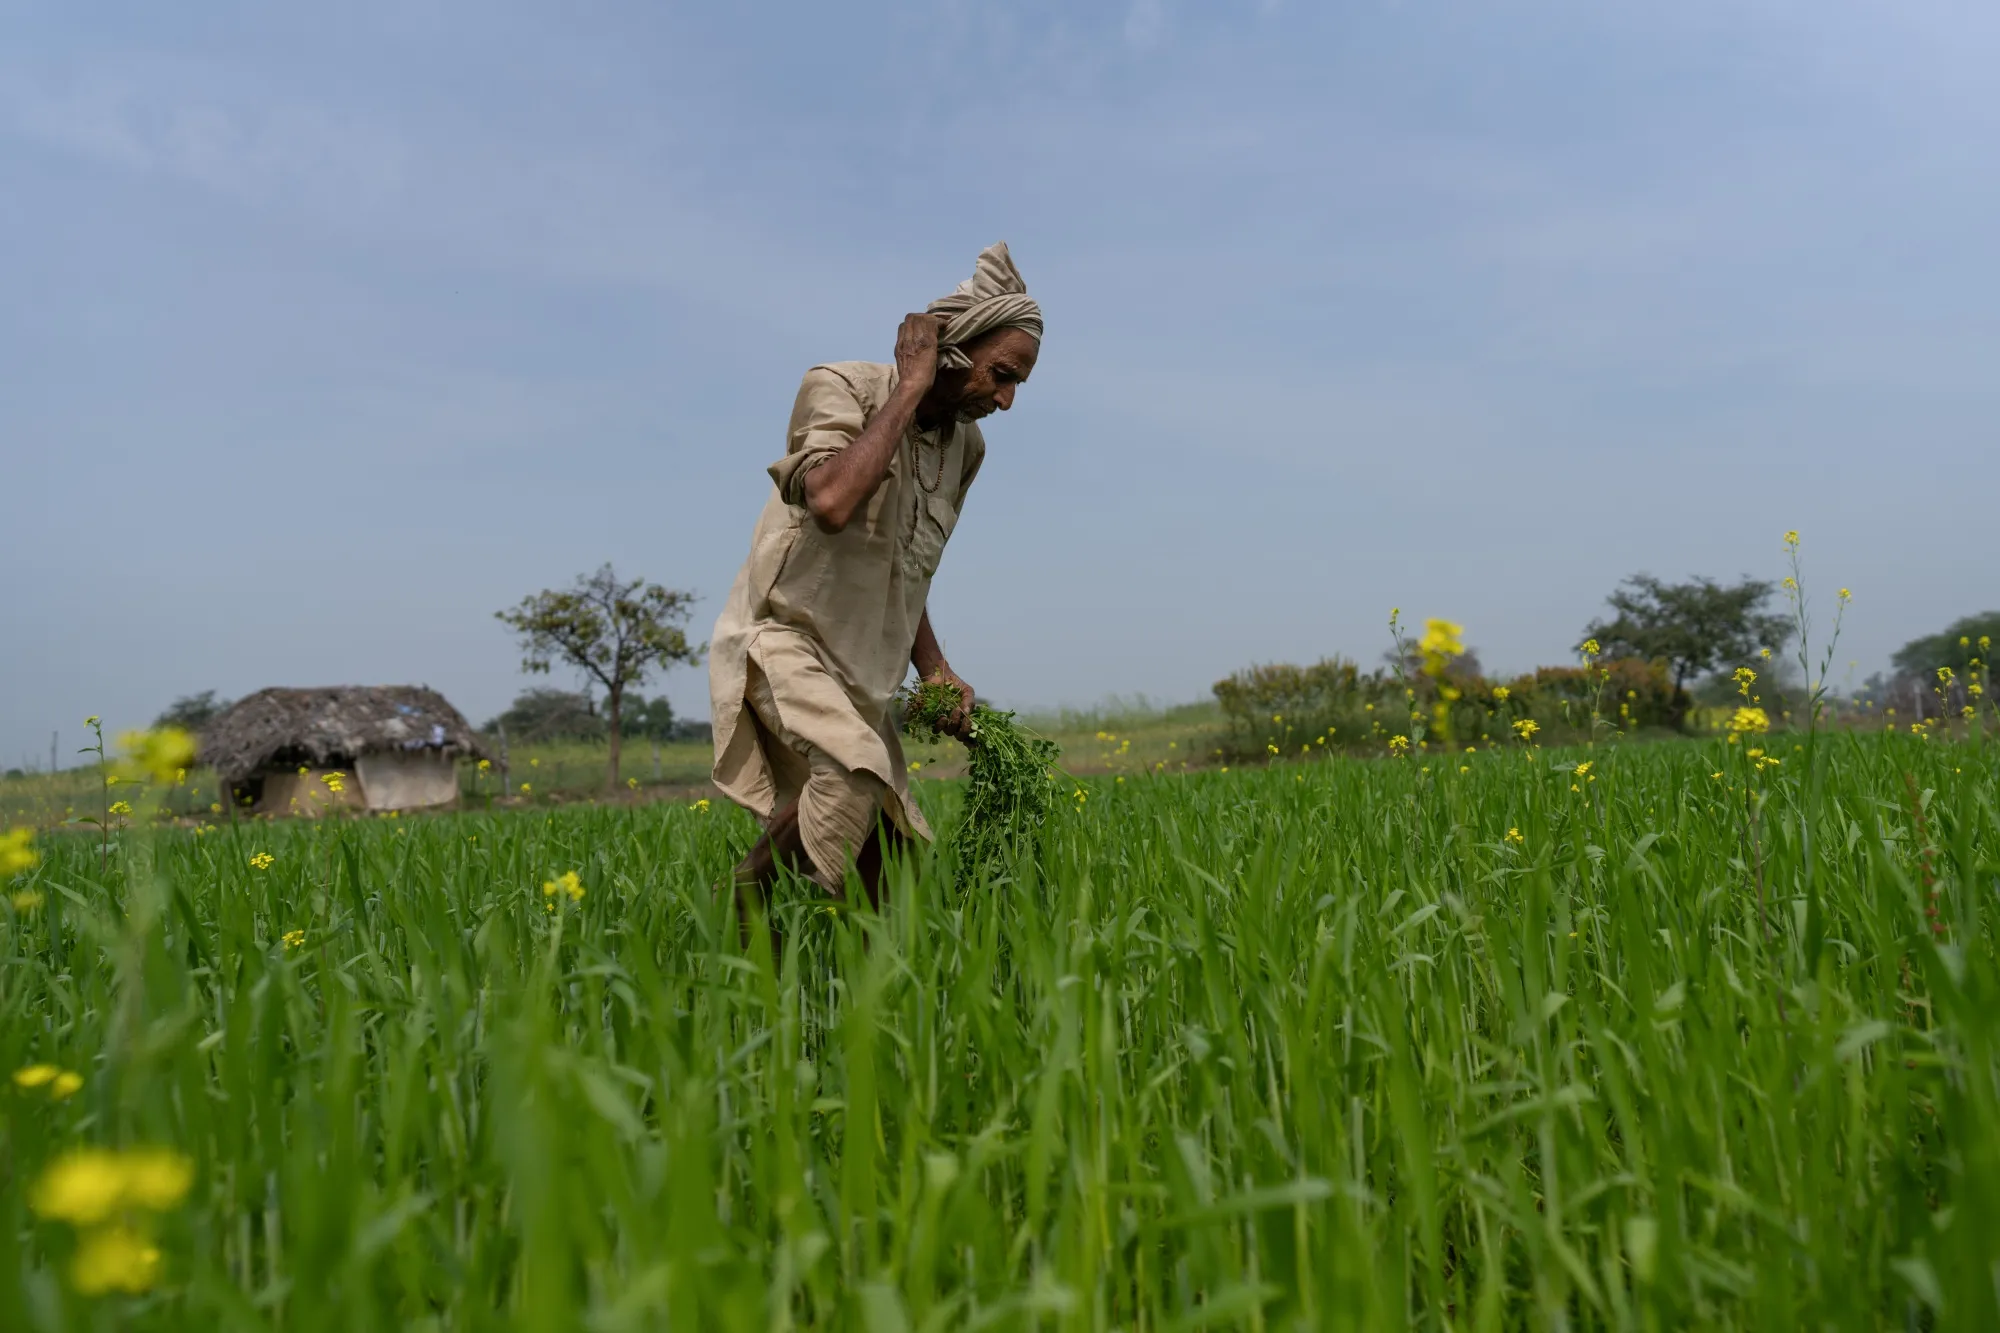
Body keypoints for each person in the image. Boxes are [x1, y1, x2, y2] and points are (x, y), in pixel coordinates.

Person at [708, 242, 1042, 945]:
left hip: (865, 674)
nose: (1006, 400)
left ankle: (825, 993)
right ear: (956, 348)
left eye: (1018, 386)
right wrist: (911, 387)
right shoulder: (840, 386)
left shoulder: (965, 449)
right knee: (854, 772)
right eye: (1002, 375)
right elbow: (830, 499)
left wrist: (938, 671)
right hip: (784, 640)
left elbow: (907, 569)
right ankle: (739, 915)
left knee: (894, 872)